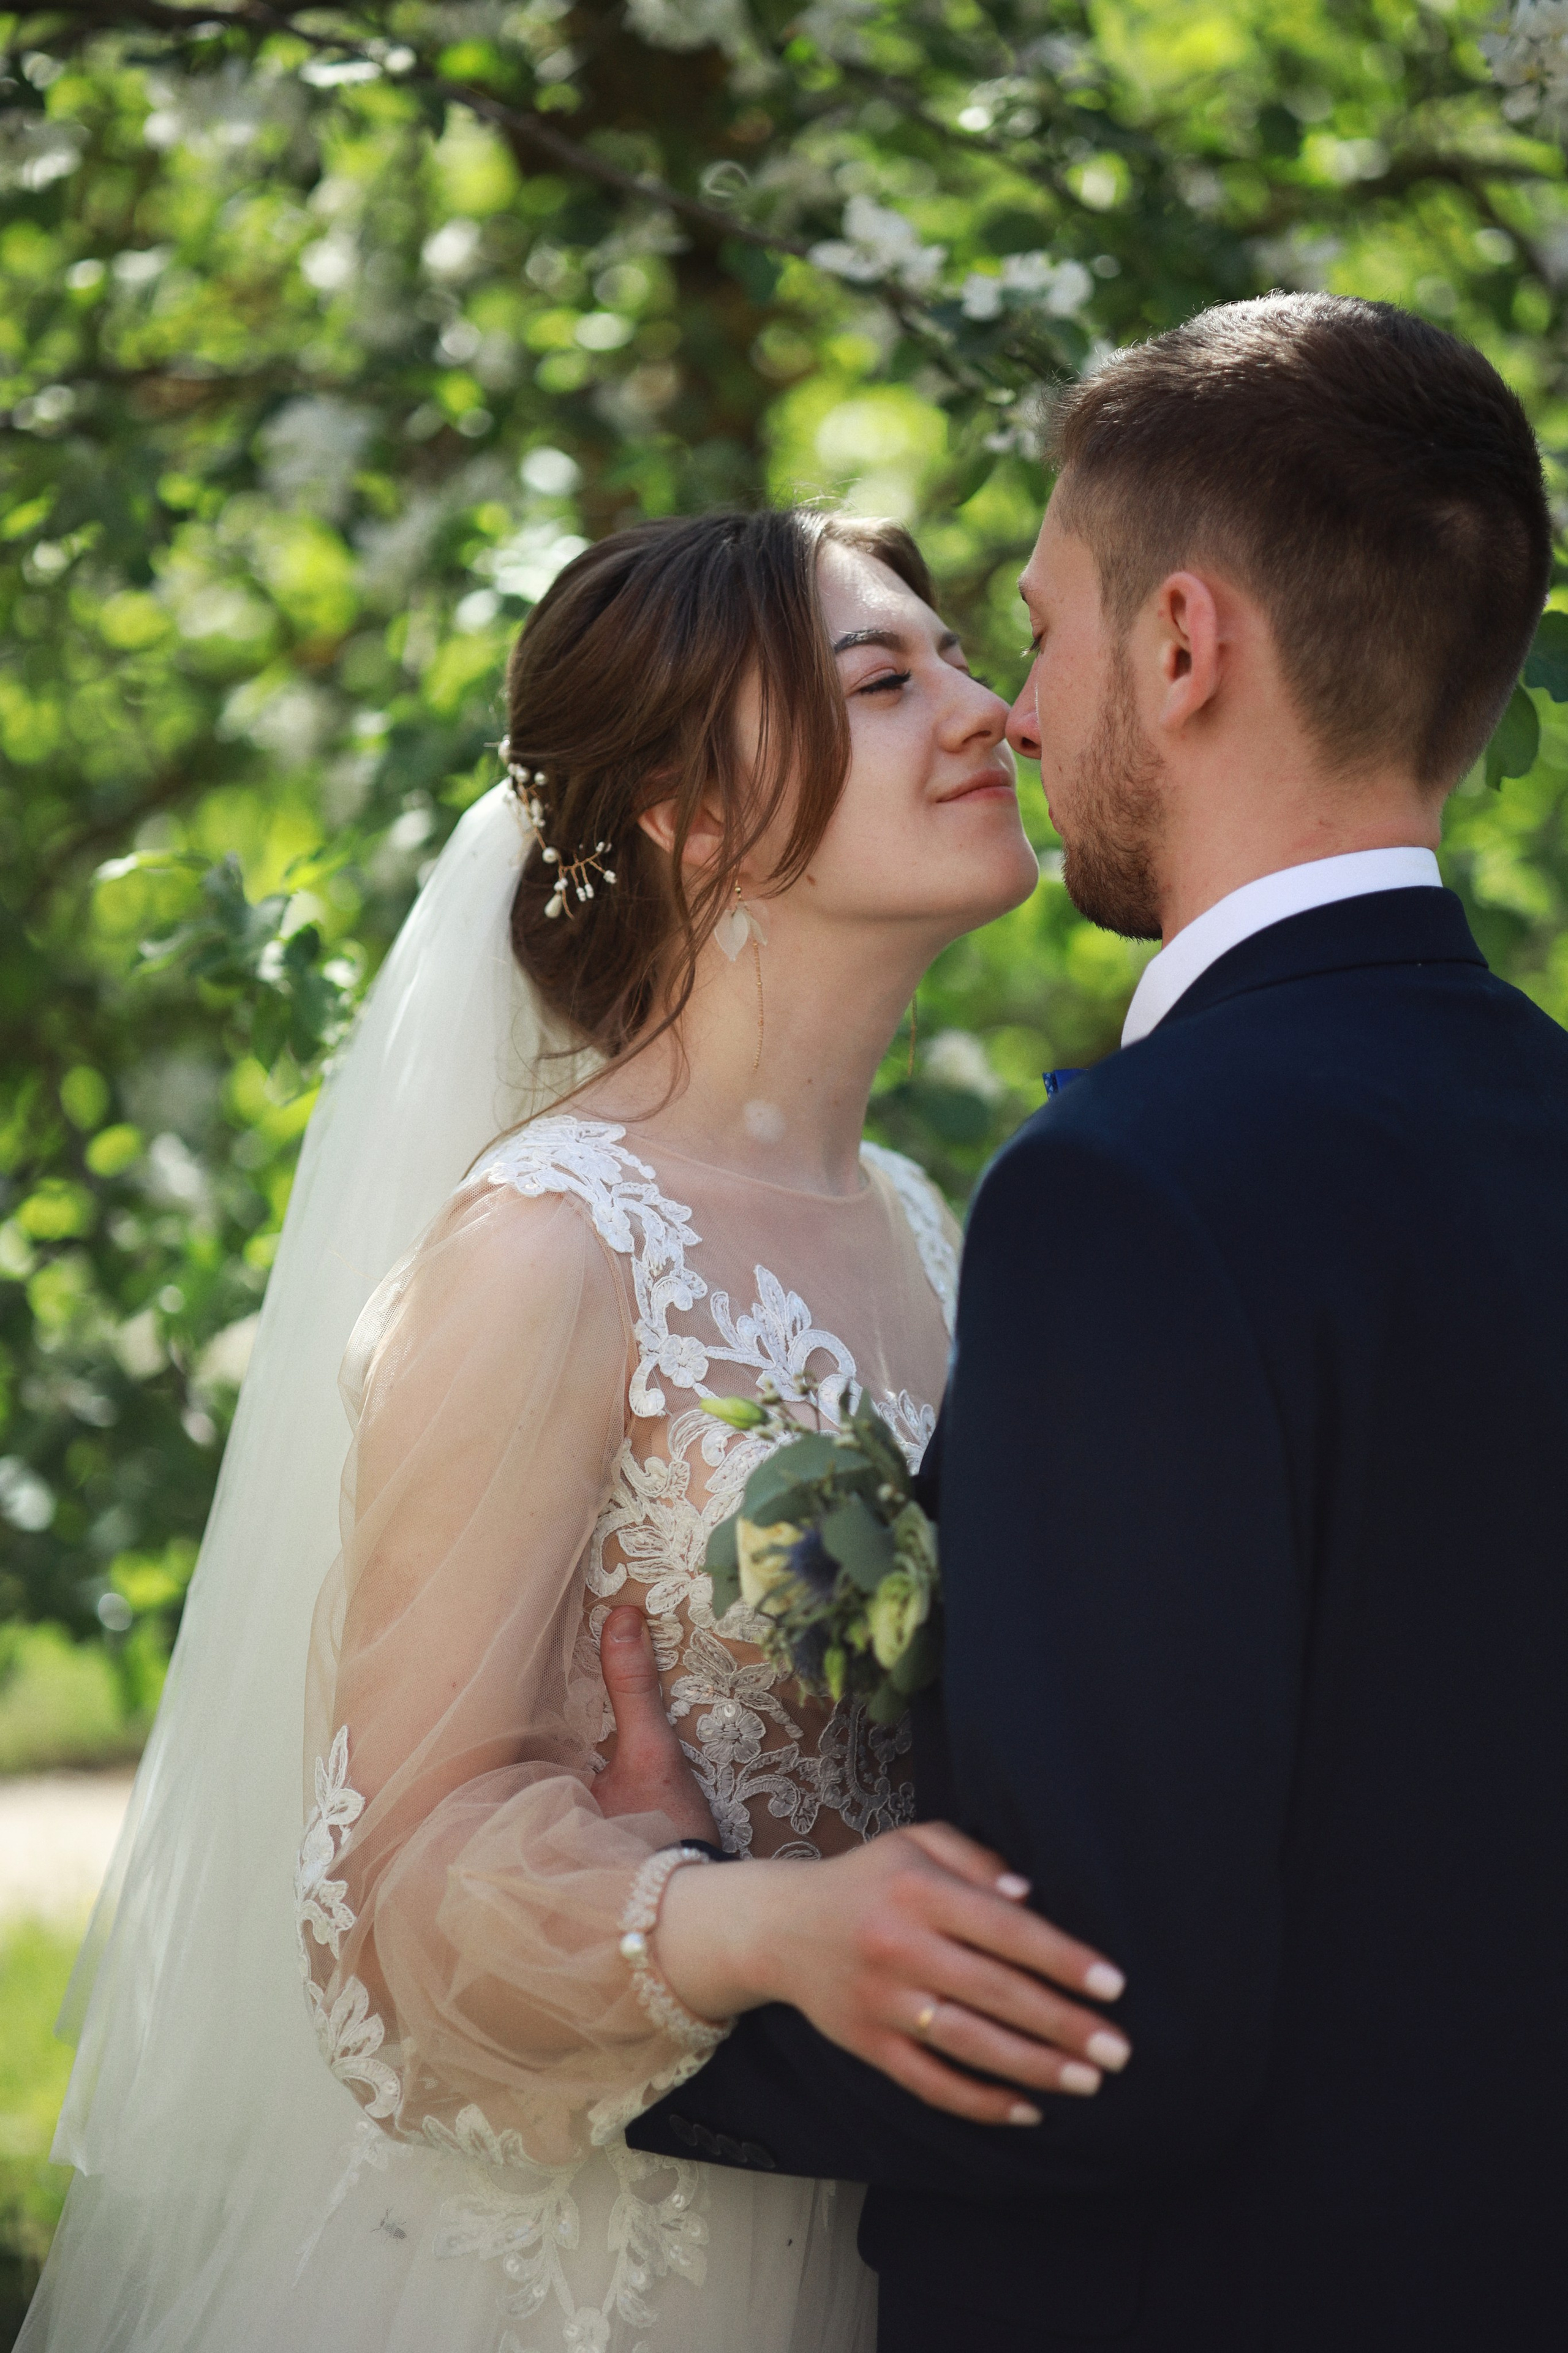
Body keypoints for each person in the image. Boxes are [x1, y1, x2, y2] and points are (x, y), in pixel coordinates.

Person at [22, 508, 1126, 2353]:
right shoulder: (549, 1247)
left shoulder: (929, 1224)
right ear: (690, 811)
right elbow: (391, 1898)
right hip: (598, 2261)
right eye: (884, 679)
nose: (988, 711)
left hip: (886, 2212)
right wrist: (744, 1924)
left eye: (961, 655)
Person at [622, 295, 1568, 2351]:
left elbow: (1104, 2033)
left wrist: (666, 1961)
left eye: (1042, 633)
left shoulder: (1131, 1190)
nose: (1017, 715)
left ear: (1185, 645)